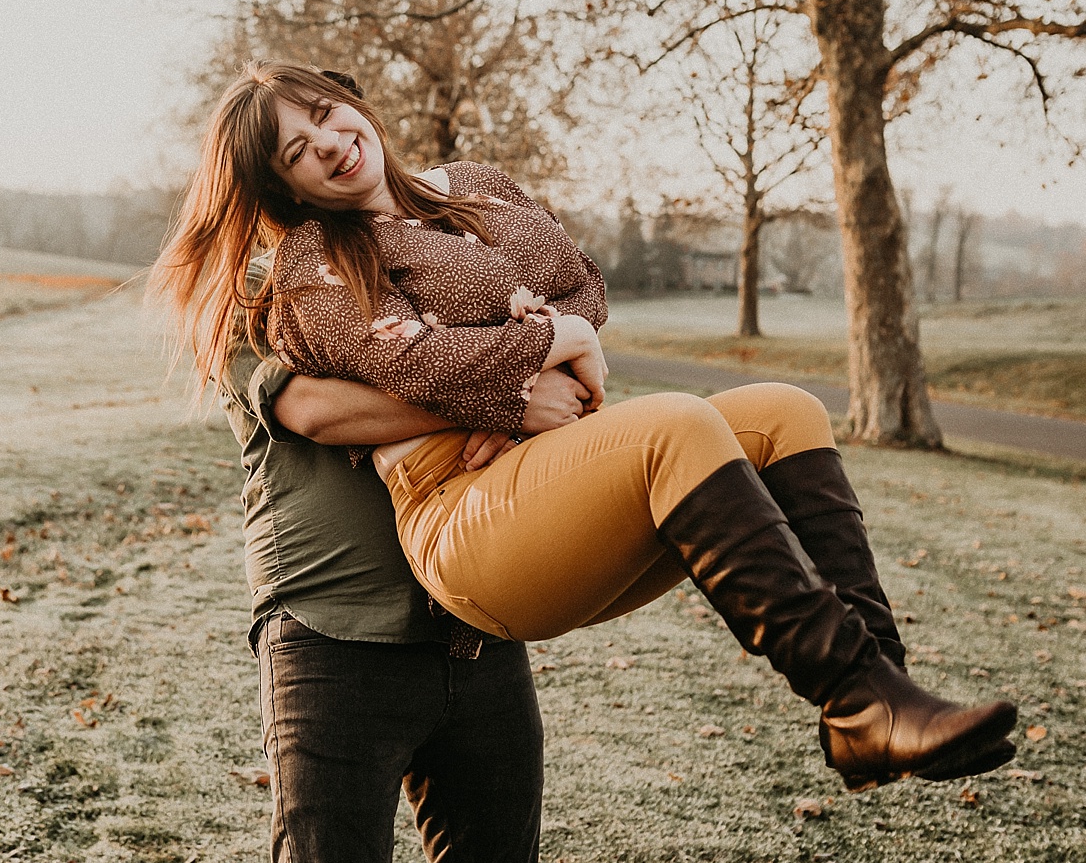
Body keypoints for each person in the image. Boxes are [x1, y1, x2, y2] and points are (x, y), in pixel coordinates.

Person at [154, 61, 1016, 799]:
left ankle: (877, 699)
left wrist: (547, 336)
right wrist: (539, 356)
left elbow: (582, 287)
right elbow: (421, 367)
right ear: (288, 189)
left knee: (785, 410)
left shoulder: (477, 185)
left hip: (545, 469)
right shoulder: (316, 262)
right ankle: (855, 694)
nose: (328, 144)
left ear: (353, 103)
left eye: (323, 114)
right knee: (673, 424)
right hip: (457, 514)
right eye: (296, 152)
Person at [219, 320, 592, 863]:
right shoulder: (254, 289)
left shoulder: (443, 275)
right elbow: (317, 411)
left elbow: (562, 388)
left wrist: (517, 402)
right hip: (334, 637)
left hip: (478, 626)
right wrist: (505, 396)